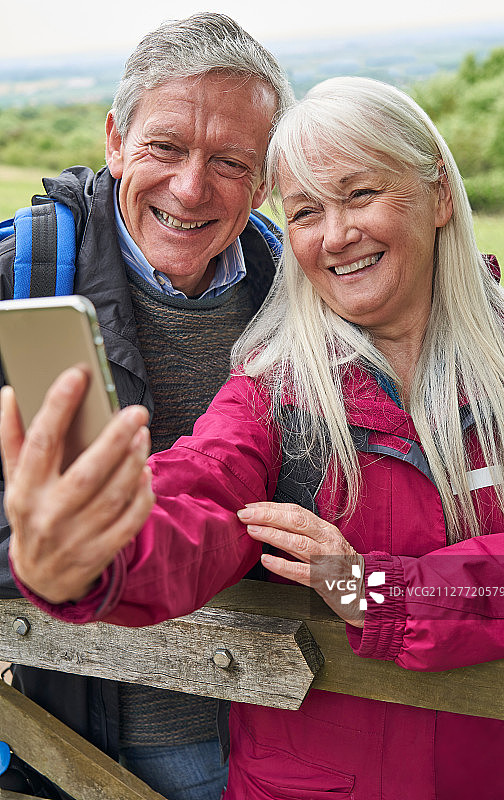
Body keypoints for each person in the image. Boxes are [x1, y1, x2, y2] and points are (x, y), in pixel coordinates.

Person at [4, 76, 504, 799]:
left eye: (359, 193)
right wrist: (94, 551)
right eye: (307, 210)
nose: (335, 234)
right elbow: (200, 492)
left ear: (439, 196)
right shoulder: (273, 389)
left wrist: (381, 592)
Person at [0, 13, 293, 800]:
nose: (191, 187)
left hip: (278, 723)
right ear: (115, 141)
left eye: (229, 160)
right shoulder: (23, 275)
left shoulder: (291, 283)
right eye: (165, 147)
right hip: (83, 737)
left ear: (263, 181)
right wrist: (47, 545)